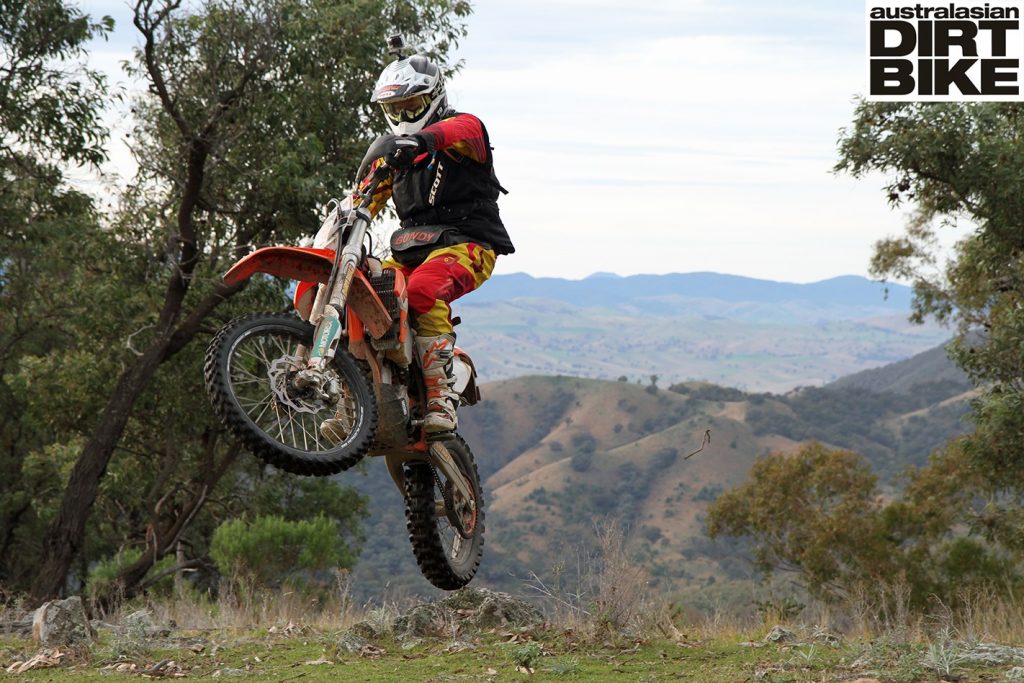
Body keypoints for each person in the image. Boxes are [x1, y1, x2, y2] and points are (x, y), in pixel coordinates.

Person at [355, 49, 514, 433]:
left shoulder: (465, 129)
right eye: (396, 108)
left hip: (469, 245)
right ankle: (352, 402)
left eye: (412, 105)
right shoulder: (393, 158)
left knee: (423, 291)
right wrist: (347, 216)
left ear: (435, 96)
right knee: (362, 294)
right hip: (411, 251)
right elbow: (362, 199)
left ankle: (441, 398)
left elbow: (456, 133)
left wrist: (422, 140)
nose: (404, 116)